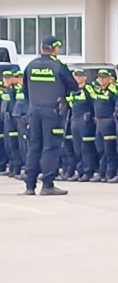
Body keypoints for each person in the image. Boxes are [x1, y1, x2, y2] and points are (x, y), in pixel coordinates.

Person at [20, 35, 79, 196]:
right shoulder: (58, 66)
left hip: (34, 111)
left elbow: (24, 89)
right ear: (54, 48)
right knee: (51, 147)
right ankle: (47, 184)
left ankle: (30, 186)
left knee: (33, 147)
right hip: (52, 113)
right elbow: (74, 86)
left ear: (41, 48)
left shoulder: (30, 66)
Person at [67, 68, 99, 182]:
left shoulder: (88, 89)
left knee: (86, 148)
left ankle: (88, 171)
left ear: (85, 77)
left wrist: (93, 115)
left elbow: (95, 102)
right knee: (77, 147)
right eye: (76, 76)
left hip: (85, 120)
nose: (78, 78)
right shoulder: (72, 90)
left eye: (80, 76)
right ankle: (79, 171)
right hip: (74, 119)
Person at [2, 70, 23, 177]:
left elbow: (16, 106)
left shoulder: (15, 90)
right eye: (5, 77)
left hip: (13, 120)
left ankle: (17, 167)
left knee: (14, 144)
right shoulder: (6, 90)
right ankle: (12, 166)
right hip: (6, 120)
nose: (6, 80)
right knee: (8, 144)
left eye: (8, 77)